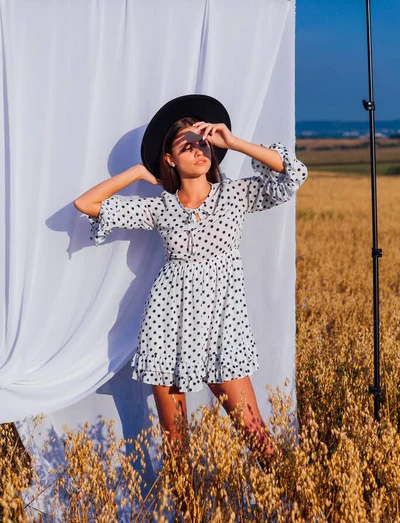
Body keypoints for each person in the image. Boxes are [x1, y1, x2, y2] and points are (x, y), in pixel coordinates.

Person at [74, 94, 308, 469]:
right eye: (187, 146)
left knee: (257, 436)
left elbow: (292, 174)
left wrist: (233, 142)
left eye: (203, 144)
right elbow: (86, 204)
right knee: (176, 449)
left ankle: (294, 512)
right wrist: (138, 172)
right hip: (167, 326)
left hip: (222, 327)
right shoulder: (159, 206)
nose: (200, 150)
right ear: (170, 160)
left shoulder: (235, 194)